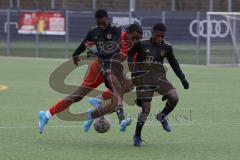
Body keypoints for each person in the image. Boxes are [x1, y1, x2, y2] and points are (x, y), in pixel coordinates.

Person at [38, 9, 127, 134]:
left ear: (108, 19)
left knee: (123, 88)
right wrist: (75, 55)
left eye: (103, 23)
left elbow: (114, 47)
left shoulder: (116, 29)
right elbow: (83, 45)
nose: (101, 26)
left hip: (113, 67)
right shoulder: (94, 32)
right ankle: (46, 114)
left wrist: (94, 51)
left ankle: (97, 103)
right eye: (98, 23)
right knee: (78, 96)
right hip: (98, 69)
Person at [127, 23, 189, 146]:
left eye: (163, 36)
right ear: (152, 33)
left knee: (174, 97)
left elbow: (174, 64)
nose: (161, 38)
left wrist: (183, 79)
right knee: (146, 109)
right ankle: (137, 136)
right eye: (158, 36)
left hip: (159, 79)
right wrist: (132, 68)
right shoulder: (142, 44)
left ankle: (162, 116)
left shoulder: (166, 48)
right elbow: (129, 54)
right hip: (144, 79)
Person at [83, 24, 143, 132]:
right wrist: (92, 48)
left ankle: (92, 113)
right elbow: (101, 49)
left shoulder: (135, 47)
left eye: (138, 39)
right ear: (127, 33)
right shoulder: (117, 37)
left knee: (126, 90)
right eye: (134, 38)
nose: (135, 41)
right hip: (104, 67)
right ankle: (121, 118)